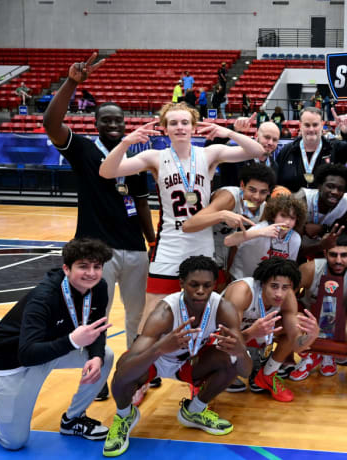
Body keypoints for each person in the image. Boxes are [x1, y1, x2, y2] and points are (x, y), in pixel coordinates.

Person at [98, 101, 265, 344]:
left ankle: (193, 365)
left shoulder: (209, 154)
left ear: (193, 127)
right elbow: (106, 171)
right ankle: (142, 370)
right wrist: (126, 143)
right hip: (170, 242)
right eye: (173, 123)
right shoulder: (154, 157)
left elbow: (256, 150)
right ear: (165, 128)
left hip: (202, 242)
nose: (179, 127)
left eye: (185, 122)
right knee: (153, 307)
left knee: (201, 308)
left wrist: (228, 132)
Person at [43, 53, 155, 355]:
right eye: (107, 119)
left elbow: (142, 204)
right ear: (96, 123)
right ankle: (97, 371)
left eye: (119, 120)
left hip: (134, 249)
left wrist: (152, 240)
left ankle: (136, 370)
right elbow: (50, 124)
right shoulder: (81, 148)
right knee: (96, 316)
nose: (114, 124)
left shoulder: (134, 157)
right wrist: (71, 83)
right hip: (95, 250)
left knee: (138, 316)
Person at [0, 238, 114, 450]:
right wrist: (72, 341)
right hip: (9, 361)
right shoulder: (44, 297)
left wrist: (96, 356)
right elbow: (27, 354)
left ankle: (73, 420)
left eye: (96, 267)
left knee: (105, 356)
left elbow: (95, 329)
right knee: (13, 441)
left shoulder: (98, 287)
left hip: (48, 352)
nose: (91, 273)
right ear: (66, 268)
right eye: (83, 266)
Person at [102, 256, 252, 457]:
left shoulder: (224, 308)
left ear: (214, 285)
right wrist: (159, 349)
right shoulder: (165, 312)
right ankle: (124, 416)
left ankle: (195, 410)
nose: (200, 291)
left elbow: (246, 371)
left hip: (190, 362)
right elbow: (125, 370)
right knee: (123, 369)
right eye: (194, 285)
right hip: (156, 360)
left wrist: (240, 353)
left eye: (207, 285)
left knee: (230, 359)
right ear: (182, 283)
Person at [221, 257, 320, 400]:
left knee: (298, 322)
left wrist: (311, 336)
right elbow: (226, 339)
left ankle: (267, 374)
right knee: (231, 372)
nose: (279, 293)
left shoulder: (288, 297)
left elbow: (297, 345)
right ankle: (215, 373)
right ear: (262, 283)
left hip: (254, 334)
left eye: (285, 287)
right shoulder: (242, 292)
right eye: (274, 286)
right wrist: (252, 333)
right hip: (221, 337)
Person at [182, 162, 276, 290]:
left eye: (263, 192)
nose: (256, 197)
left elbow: (240, 241)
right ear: (242, 185)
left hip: (223, 250)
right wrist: (222, 215)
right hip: (197, 242)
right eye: (252, 190)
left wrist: (229, 268)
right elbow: (188, 225)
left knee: (221, 290)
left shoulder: (264, 209)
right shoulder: (229, 198)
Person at [292, 234, 347, 380]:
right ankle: (311, 355)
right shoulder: (310, 269)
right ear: (325, 253)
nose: (338, 261)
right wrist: (294, 316)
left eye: (344, 255)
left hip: (335, 318)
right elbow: (287, 297)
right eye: (333, 255)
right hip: (308, 313)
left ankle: (327, 354)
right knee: (293, 322)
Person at [275, 106, 347, 193]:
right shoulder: (287, 151)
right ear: (300, 125)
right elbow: (277, 183)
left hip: (327, 205)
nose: (311, 129)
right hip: (293, 205)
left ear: (322, 125)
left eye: (315, 125)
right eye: (307, 125)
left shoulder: (334, 148)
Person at [225, 194, 306, 280]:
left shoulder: (295, 239)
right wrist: (261, 232)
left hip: (266, 282)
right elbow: (228, 241)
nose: (287, 222)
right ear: (274, 215)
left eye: (292, 218)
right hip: (242, 277)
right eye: (283, 215)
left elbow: (289, 267)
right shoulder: (260, 228)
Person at [295, 163, 347, 259]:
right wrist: (321, 246)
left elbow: (338, 235)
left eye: (340, 189)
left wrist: (322, 229)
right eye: (330, 186)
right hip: (298, 253)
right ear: (319, 186)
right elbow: (295, 250)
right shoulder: (301, 200)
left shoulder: (344, 206)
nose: (335, 192)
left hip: (322, 253)